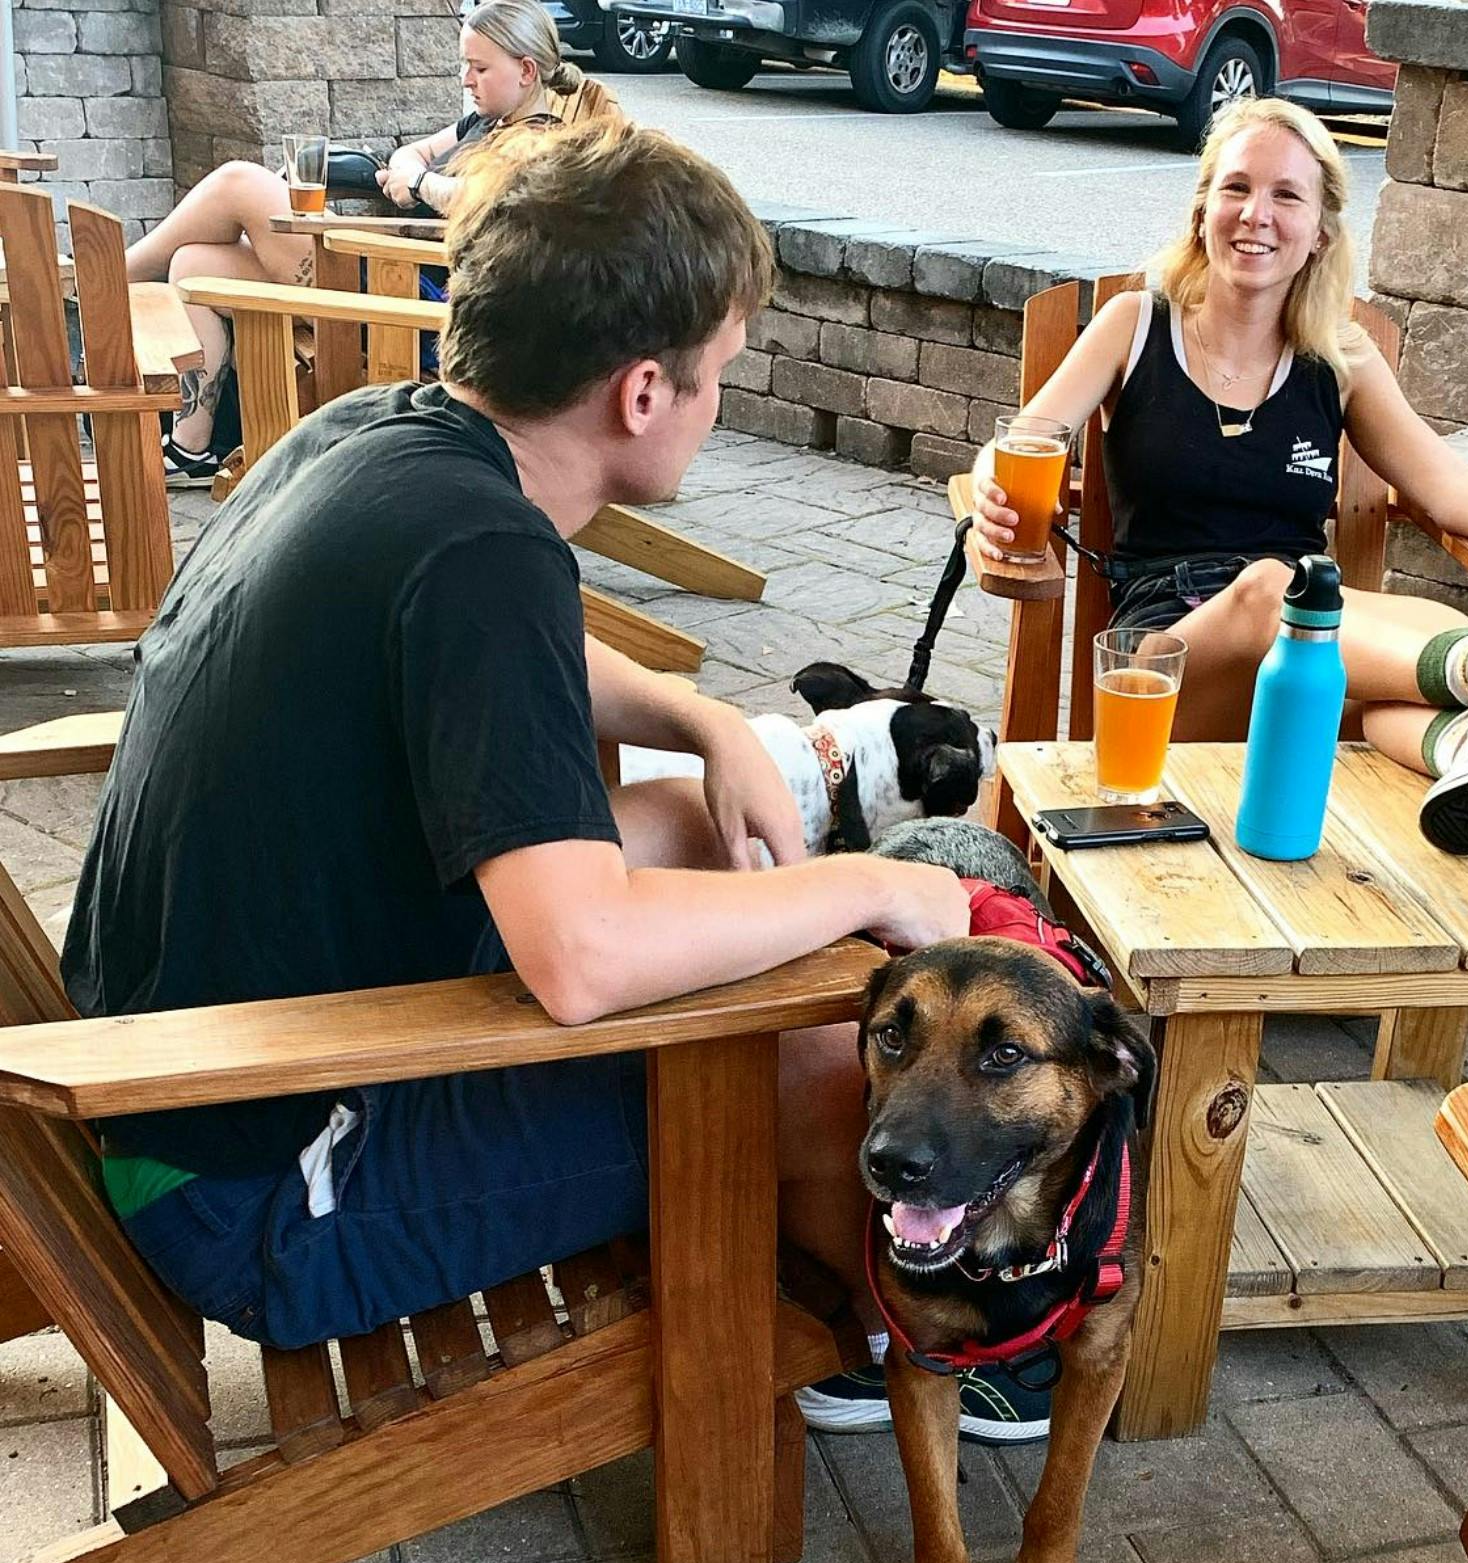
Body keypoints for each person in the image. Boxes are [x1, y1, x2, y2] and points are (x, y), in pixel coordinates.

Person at [63, 121, 969, 1368]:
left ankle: (824, 1290)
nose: (716, 404)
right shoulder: (487, 553)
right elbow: (583, 961)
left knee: (693, 835)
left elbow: (504, 660)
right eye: (718, 374)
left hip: (177, 1080)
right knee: (804, 1061)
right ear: (643, 391)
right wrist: (875, 881)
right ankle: (900, 1361)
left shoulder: (384, 434)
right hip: (264, 1187)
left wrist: (700, 717)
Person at [968, 96, 1468, 855]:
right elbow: (1026, 440)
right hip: (1170, 666)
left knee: (1385, 656)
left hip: (1306, 660)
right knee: (1266, 594)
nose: (1257, 214)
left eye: (1286, 195)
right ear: (1202, 209)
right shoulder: (1136, 325)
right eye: (1237, 187)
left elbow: (1443, 485)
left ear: (1320, 231)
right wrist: (995, 480)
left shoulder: (1340, 360)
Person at [126, 0, 580, 485]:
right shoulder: (485, 124)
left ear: (527, 70)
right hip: (384, 279)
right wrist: (411, 168)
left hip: (414, 309)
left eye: (480, 67)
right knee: (195, 264)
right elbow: (412, 151)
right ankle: (192, 448)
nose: (467, 79)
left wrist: (421, 183)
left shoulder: (542, 147)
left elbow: (483, 198)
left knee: (240, 182)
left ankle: (109, 276)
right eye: (465, 65)